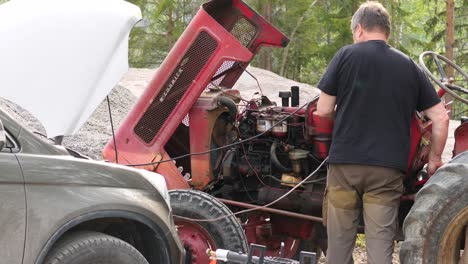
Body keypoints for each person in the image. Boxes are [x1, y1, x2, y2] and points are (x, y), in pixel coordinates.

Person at [315, 2, 449, 264]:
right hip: (386, 172)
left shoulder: (344, 56)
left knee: (339, 248)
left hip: (345, 166)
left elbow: (322, 110)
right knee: (379, 249)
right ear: (386, 31)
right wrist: (434, 160)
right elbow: (440, 117)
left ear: (359, 29)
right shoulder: (408, 66)